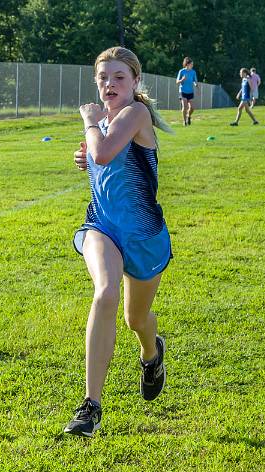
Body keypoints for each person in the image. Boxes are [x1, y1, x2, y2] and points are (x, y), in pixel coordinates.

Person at [67, 46, 173, 437]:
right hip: (103, 227)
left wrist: (89, 124)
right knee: (105, 292)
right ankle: (90, 405)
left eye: (118, 78)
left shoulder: (135, 114)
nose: (109, 84)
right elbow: (99, 158)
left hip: (144, 236)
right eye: (102, 78)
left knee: (136, 320)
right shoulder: (106, 120)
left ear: (135, 82)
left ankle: (152, 353)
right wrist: (85, 159)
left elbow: (106, 151)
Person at [176, 57, 197, 126]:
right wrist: (182, 79)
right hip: (182, 91)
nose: (192, 65)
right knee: (184, 106)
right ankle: (184, 121)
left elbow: (194, 80)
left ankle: (188, 116)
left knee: (192, 108)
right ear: (187, 64)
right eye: (191, 64)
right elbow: (177, 82)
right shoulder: (181, 71)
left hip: (190, 91)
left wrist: (195, 84)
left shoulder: (193, 72)